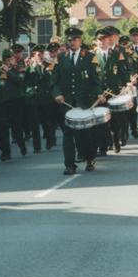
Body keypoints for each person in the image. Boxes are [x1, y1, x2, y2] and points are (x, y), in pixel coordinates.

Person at [52, 27, 105, 175]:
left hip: (85, 103)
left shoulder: (89, 57)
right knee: (68, 135)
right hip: (67, 104)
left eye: (74, 39)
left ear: (80, 40)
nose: (72, 42)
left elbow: (96, 81)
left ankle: (90, 159)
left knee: (86, 135)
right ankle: (69, 165)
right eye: (69, 40)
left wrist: (99, 94)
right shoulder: (61, 57)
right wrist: (57, 94)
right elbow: (54, 81)